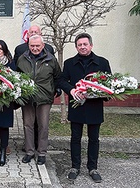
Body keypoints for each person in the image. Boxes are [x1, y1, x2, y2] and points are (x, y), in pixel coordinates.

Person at [59, 33, 111, 183]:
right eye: (79, 45)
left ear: (91, 45)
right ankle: (75, 167)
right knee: (75, 138)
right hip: (77, 105)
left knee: (94, 138)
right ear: (76, 47)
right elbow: (62, 80)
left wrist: (100, 93)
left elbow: (109, 83)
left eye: (85, 44)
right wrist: (72, 90)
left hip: (94, 106)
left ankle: (93, 168)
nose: (82, 47)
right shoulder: (69, 63)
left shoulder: (102, 62)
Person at [14, 25, 59, 153]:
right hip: (27, 98)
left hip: (44, 98)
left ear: (43, 45)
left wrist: (54, 90)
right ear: (28, 45)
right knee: (28, 125)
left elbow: (57, 76)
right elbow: (18, 76)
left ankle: (42, 152)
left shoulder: (51, 59)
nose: (35, 48)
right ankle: (29, 151)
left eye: (37, 46)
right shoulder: (22, 59)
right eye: (32, 46)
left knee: (43, 126)